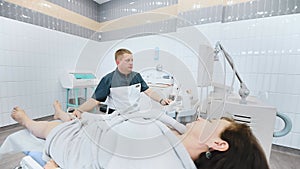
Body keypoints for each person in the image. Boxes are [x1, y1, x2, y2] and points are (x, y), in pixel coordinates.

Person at [11, 101, 269, 169]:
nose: (202, 119)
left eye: (212, 121)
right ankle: (63, 115)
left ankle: (28, 121)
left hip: (76, 143)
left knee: (44, 129)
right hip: (96, 127)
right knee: (72, 119)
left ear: (217, 143)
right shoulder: (175, 136)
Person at [62, 48, 171, 121]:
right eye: (127, 60)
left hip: (135, 115)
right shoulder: (108, 79)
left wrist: (161, 100)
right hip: (115, 117)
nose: (131, 63)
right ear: (118, 62)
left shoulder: (137, 76)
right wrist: (79, 110)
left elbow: (149, 91)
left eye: (132, 60)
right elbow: (95, 100)